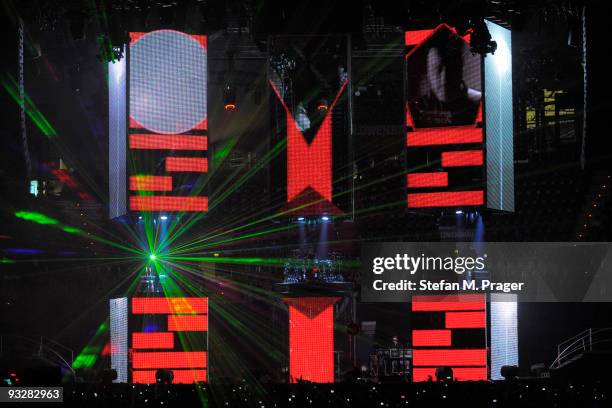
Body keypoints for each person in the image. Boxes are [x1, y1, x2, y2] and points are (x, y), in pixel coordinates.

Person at [410, 30, 481, 127]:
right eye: (437, 69)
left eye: (452, 68)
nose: (444, 80)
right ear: (427, 70)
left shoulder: (482, 104)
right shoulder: (414, 110)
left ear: (461, 67)